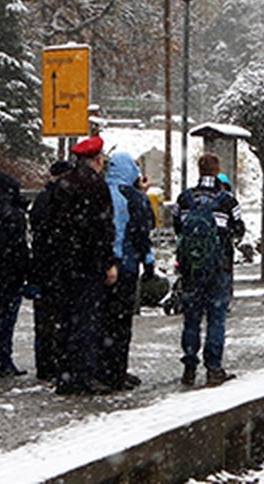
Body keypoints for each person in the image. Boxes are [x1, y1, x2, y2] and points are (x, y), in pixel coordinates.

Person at [49, 137, 117, 395]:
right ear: (98, 160)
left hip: (66, 262)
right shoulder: (96, 186)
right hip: (89, 262)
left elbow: (54, 225)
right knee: (87, 320)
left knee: (66, 319)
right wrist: (108, 262)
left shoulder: (63, 184)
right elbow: (103, 228)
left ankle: (64, 374)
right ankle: (82, 376)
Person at [173, 153, 244, 386]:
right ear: (217, 171)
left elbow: (178, 228)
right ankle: (214, 368)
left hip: (191, 269)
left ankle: (189, 367)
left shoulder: (184, 199)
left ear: (199, 170)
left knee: (191, 318)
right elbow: (239, 230)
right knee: (216, 318)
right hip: (218, 269)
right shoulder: (227, 201)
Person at [99, 152, 154, 391]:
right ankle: (116, 372)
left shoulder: (99, 192)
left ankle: (101, 370)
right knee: (121, 324)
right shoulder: (133, 198)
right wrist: (149, 262)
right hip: (127, 267)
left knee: (102, 320)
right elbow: (145, 228)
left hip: (101, 267)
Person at [27, 159, 74, 381]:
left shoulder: (41, 200)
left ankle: (44, 364)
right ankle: (59, 363)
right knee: (62, 317)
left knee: (44, 321)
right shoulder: (63, 199)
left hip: (42, 265)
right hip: (59, 266)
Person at [0, 173, 30, 377]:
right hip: (11, 272)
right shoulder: (14, 214)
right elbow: (17, 247)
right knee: (6, 317)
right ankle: (2, 359)